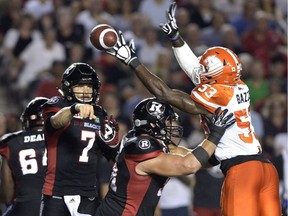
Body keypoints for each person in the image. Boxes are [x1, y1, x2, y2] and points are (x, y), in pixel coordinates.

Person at [103, 2, 281, 215]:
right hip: (266, 169)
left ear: (216, 74)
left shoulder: (217, 95)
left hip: (242, 171)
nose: (200, 71)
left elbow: (165, 94)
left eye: (206, 68)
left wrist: (133, 61)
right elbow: (195, 71)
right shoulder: (238, 85)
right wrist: (177, 38)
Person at [95, 97, 235, 215]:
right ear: (154, 124)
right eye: (167, 122)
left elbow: (201, 160)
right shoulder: (142, 147)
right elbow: (189, 165)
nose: (171, 126)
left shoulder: (151, 145)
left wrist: (226, 148)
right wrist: (215, 134)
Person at [40, 62, 120, 216]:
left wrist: (113, 143)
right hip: (57, 192)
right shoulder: (56, 104)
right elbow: (55, 122)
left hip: (87, 193)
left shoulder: (99, 114)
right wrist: (73, 109)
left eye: (89, 86)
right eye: (80, 86)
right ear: (68, 87)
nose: (86, 91)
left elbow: (112, 157)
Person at [0, 97, 48, 216]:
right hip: (60, 205)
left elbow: (8, 188)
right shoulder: (63, 140)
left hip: (25, 206)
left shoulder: (11, 142)